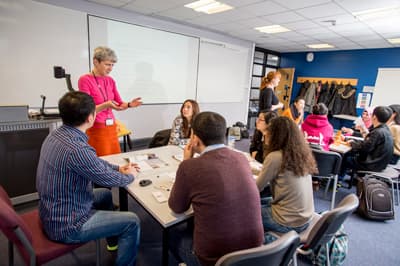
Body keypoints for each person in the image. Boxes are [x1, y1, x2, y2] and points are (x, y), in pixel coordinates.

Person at [36, 91, 141, 266]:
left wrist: (118, 168)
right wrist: (130, 175)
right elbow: (110, 180)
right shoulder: (77, 149)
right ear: (91, 118)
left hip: (52, 210)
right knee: (132, 221)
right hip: (67, 225)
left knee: (105, 196)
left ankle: (113, 243)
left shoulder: (55, 135)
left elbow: (93, 163)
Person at [168, 112, 264, 266]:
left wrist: (186, 161)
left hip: (215, 261)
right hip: (255, 255)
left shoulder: (189, 167)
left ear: (196, 139)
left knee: (171, 235)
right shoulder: (241, 158)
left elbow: (176, 207)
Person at [256, 117, 316, 242]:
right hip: (305, 218)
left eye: (268, 131)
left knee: (243, 212)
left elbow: (255, 188)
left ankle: (257, 246)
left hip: (287, 222)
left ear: (275, 135)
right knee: (263, 201)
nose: (266, 134)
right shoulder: (299, 155)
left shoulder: (275, 157)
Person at [78, 46, 142, 156]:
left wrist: (130, 104)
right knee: (102, 161)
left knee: (115, 158)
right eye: (107, 64)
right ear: (96, 62)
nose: (110, 68)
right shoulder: (85, 80)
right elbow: (87, 110)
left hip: (111, 127)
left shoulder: (110, 80)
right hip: (96, 127)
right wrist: (106, 105)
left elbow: (119, 103)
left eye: (112, 65)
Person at [342, 106, 393, 176]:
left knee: (344, 158)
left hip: (372, 165)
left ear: (374, 117)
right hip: (380, 164)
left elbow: (365, 148)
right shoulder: (386, 130)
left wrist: (352, 143)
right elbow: (368, 144)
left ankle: (335, 182)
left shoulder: (377, 132)